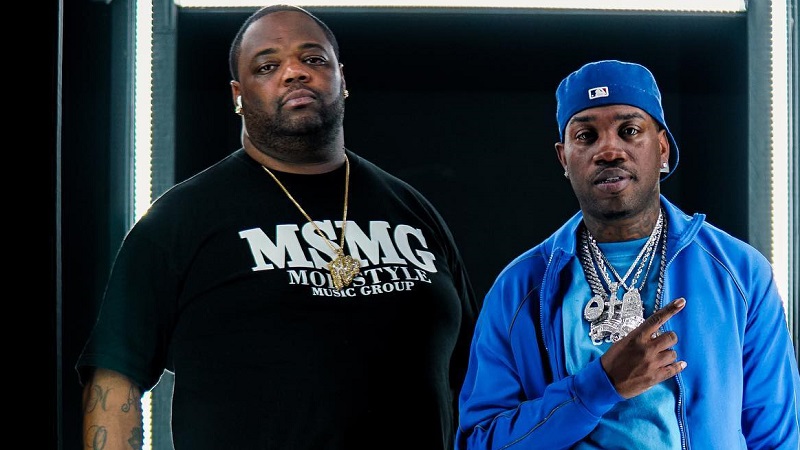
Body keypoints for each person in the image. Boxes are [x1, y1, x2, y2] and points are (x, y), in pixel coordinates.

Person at [76, 5, 479, 449]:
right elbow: (115, 380)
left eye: (313, 59)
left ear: (342, 79)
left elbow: (476, 376)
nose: (294, 73)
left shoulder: (413, 212)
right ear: (238, 94)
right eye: (267, 66)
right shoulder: (180, 219)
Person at [455, 59, 800, 449]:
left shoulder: (739, 271)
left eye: (629, 130)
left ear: (662, 147)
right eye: (586, 135)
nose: (608, 150)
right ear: (564, 158)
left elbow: (776, 437)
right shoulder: (519, 288)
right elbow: (479, 441)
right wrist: (598, 386)